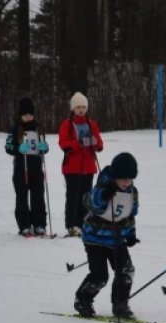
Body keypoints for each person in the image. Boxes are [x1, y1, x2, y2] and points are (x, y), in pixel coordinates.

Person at [73, 153, 139, 319]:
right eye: (123, 178)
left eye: (130, 179)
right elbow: (91, 203)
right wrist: (104, 195)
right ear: (115, 176)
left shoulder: (132, 192)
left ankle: (120, 304)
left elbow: (130, 214)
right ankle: (83, 300)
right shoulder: (102, 188)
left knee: (126, 270)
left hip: (117, 239)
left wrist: (131, 233)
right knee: (100, 276)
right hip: (95, 239)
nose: (126, 182)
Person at [59, 92, 104, 237]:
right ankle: (72, 225)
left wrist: (95, 143)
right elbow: (63, 144)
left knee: (86, 198)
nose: (81, 110)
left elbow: (100, 143)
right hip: (72, 167)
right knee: (73, 197)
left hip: (88, 166)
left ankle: (85, 224)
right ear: (73, 108)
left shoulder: (92, 124)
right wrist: (78, 143)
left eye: (83, 107)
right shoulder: (67, 124)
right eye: (78, 107)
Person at [5, 97, 49, 236]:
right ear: (20, 115)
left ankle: (39, 224)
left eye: (30, 115)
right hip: (21, 167)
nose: (28, 117)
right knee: (22, 196)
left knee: (38, 196)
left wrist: (44, 148)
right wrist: (18, 148)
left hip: (36, 166)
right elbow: (8, 147)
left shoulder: (38, 128)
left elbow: (43, 146)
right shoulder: (15, 129)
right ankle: (24, 224)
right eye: (25, 115)